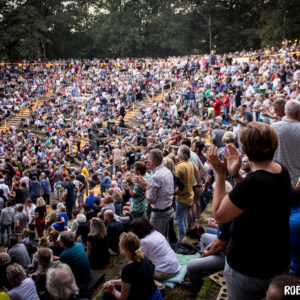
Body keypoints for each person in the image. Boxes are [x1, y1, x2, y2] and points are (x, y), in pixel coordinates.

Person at [207, 122, 291, 300]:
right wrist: (236, 174)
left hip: (249, 267)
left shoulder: (252, 184)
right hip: (277, 260)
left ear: (244, 149)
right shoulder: (282, 170)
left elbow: (219, 214)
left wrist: (221, 174)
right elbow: (247, 201)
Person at [102, 232, 163, 300]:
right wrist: (113, 282)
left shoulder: (128, 269)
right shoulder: (144, 258)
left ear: (123, 249)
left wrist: (112, 291)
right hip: (156, 295)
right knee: (111, 281)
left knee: (106, 294)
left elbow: (123, 298)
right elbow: (130, 281)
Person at [146, 149, 174, 238]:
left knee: (156, 239)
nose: (148, 161)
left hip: (159, 214)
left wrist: (145, 189)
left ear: (153, 160)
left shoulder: (156, 176)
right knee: (165, 237)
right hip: (168, 209)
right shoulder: (167, 171)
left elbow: (150, 200)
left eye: (149, 159)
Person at [272, 100, 300, 185]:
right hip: (297, 180)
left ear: (285, 111)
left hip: (276, 178)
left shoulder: (272, 128)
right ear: (298, 113)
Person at [175, 145, 195, 241]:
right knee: (183, 218)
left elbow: (176, 183)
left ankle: (181, 240)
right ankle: (184, 237)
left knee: (179, 220)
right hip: (189, 196)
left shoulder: (179, 166)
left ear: (180, 155)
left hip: (182, 197)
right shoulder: (190, 163)